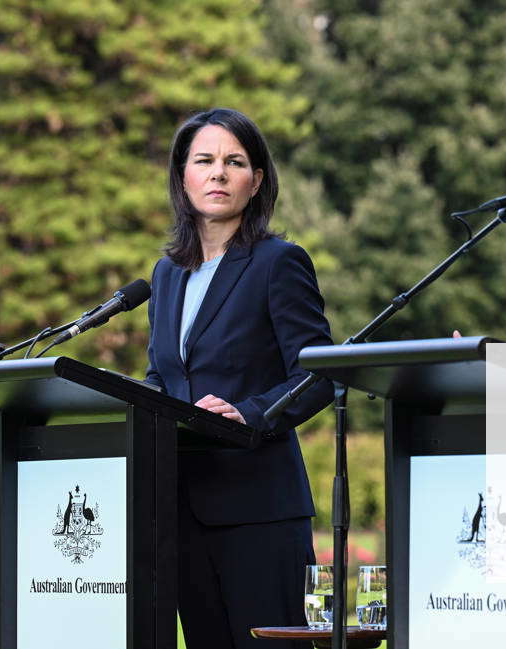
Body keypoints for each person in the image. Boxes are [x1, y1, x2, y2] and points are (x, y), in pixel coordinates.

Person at [145, 108, 333, 649]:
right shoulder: (168, 274)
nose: (219, 173)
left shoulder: (280, 262)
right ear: (183, 177)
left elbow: (318, 375)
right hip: (180, 507)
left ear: (256, 182)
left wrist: (249, 413)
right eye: (204, 160)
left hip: (259, 510)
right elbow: (162, 375)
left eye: (235, 162)